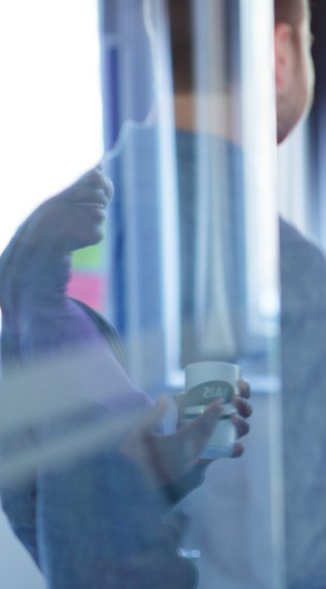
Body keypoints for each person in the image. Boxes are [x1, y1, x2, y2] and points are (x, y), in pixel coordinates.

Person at [112, 0, 326, 588]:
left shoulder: (51, 241)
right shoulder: (286, 273)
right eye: (312, 40)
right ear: (280, 52)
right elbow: (299, 552)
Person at [0, 166, 252, 588]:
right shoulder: (23, 351)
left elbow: (115, 482)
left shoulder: (86, 325)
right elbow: (54, 505)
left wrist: (178, 460)